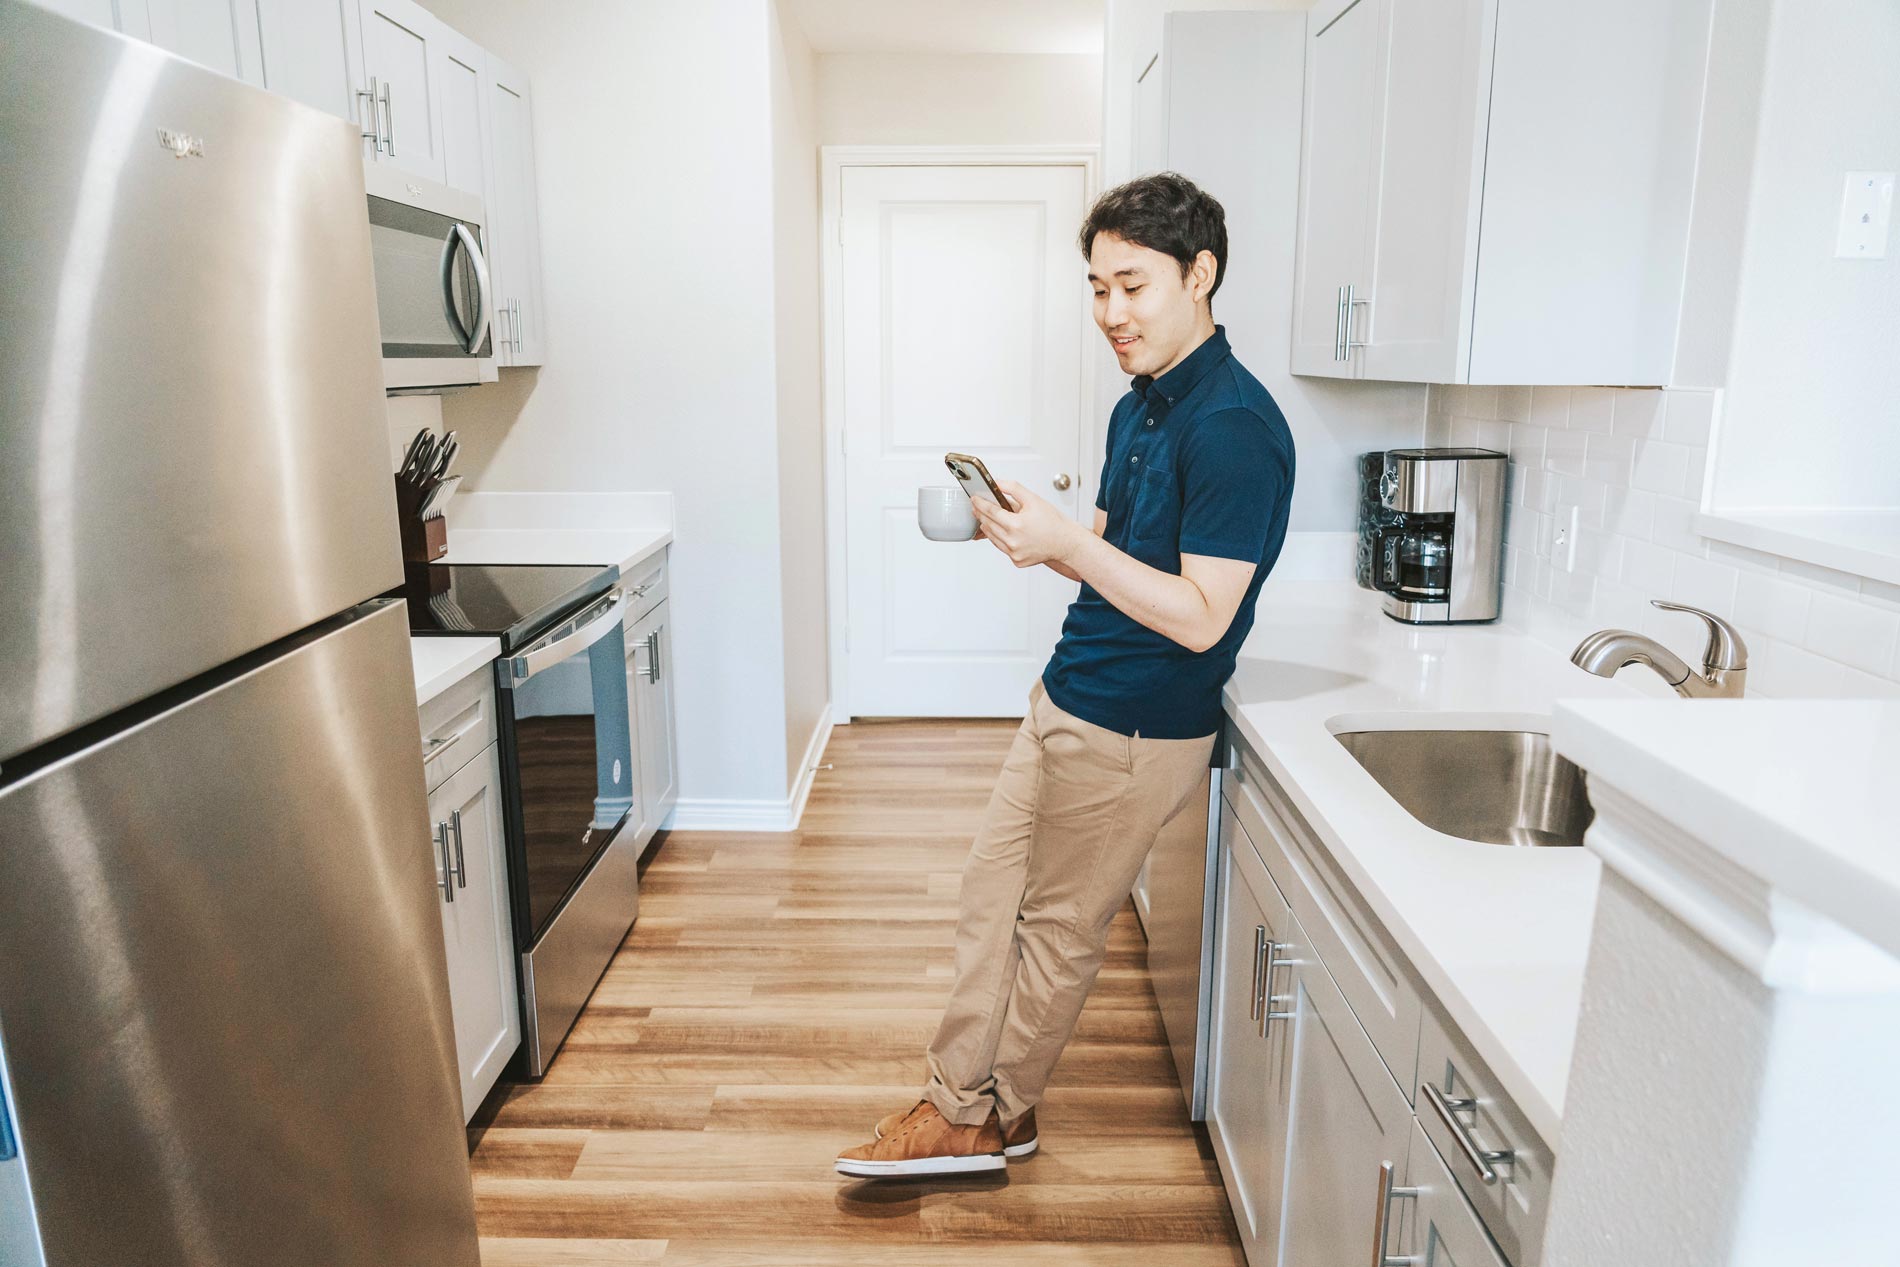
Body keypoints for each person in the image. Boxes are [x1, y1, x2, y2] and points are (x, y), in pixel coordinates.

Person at [836, 172, 1296, 1178]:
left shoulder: (1233, 427)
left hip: (1135, 727)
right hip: (1069, 692)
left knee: (1054, 929)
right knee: (987, 898)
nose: (1110, 313)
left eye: (1132, 285)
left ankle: (984, 1117)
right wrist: (1038, 532)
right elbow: (1115, 540)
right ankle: (969, 1101)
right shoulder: (1143, 404)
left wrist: (1070, 549)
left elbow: (1203, 613)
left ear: (1200, 274)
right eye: (1096, 288)